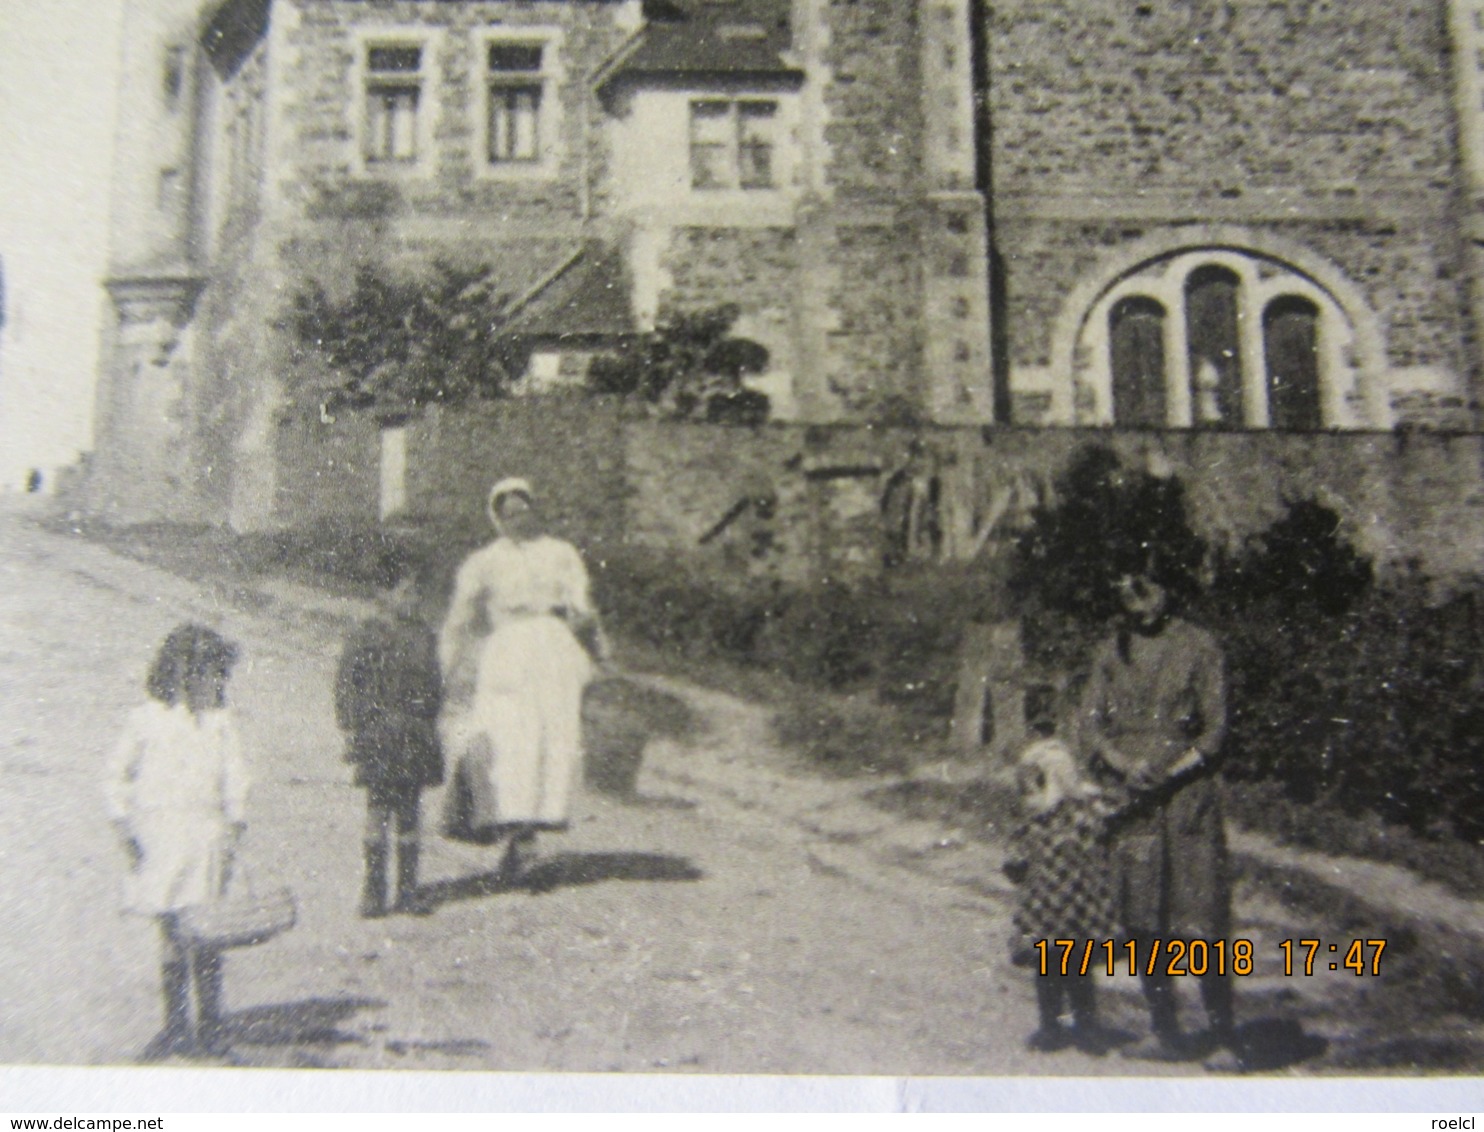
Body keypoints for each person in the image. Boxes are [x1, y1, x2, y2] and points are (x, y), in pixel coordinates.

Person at [1079, 569, 1234, 1060]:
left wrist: (1169, 772)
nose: (1137, 599)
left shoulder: (1200, 647)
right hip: (1132, 802)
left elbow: (1216, 732)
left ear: (1170, 585)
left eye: (1147, 585)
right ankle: (1166, 1032)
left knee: (1200, 917)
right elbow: (1091, 725)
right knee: (1143, 918)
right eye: (1125, 590)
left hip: (1186, 800)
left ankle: (1224, 1037)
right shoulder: (1111, 652)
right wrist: (1124, 766)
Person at [438, 478, 609, 878]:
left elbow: (582, 606)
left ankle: (528, 836)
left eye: (523, 510)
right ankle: (516, 835)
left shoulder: (561, 553)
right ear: (496, 518)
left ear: (535, 510)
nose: (518, 520)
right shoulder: (485, 561)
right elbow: (459, 618)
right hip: (509, 656)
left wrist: (597, 649)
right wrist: (447, 664)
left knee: (549, 743)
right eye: (508, 513)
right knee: (508, 742)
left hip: (554, 653)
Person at [106, 623, 247, 1058]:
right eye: (199, 672)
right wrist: (123, 824)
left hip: (205, 837)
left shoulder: (221, 723)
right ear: (175, 670)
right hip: (161, 839)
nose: (207, 683)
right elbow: (117, 775)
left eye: (214, 674)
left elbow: (237, 777)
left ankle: (211, 1025)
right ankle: (174, 1026)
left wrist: (235, 823)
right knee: (169, 932)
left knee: (205, 932)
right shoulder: (145, 719)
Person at [335, 558, 444, 918]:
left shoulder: (424, 635)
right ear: (383, 593)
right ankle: (373, 887)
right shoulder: (365, 633)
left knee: (410, 811)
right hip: (378, 733)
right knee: (379, 808)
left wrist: (427, 721)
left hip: (413, 734)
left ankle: (408, 888)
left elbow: (435, 686)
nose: (414, 599)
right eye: (405, 591)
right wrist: (353, 728)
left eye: (418, 592)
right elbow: (347, 686)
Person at [1002, 738, 1122, 1055]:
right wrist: (1014, 863)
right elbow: (1014, 858)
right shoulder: (1029, 826)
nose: (1028, 801)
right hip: (1043, 912)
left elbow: (1102, 828)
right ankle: (1050, 1027)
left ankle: (1087, 1028)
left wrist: (1093, 800)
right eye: (1024, 795)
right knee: (1047, 971)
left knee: (1080, 972)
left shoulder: (1078, 817)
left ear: (1056, 785)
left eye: (1033, 792)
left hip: (1077, 908)